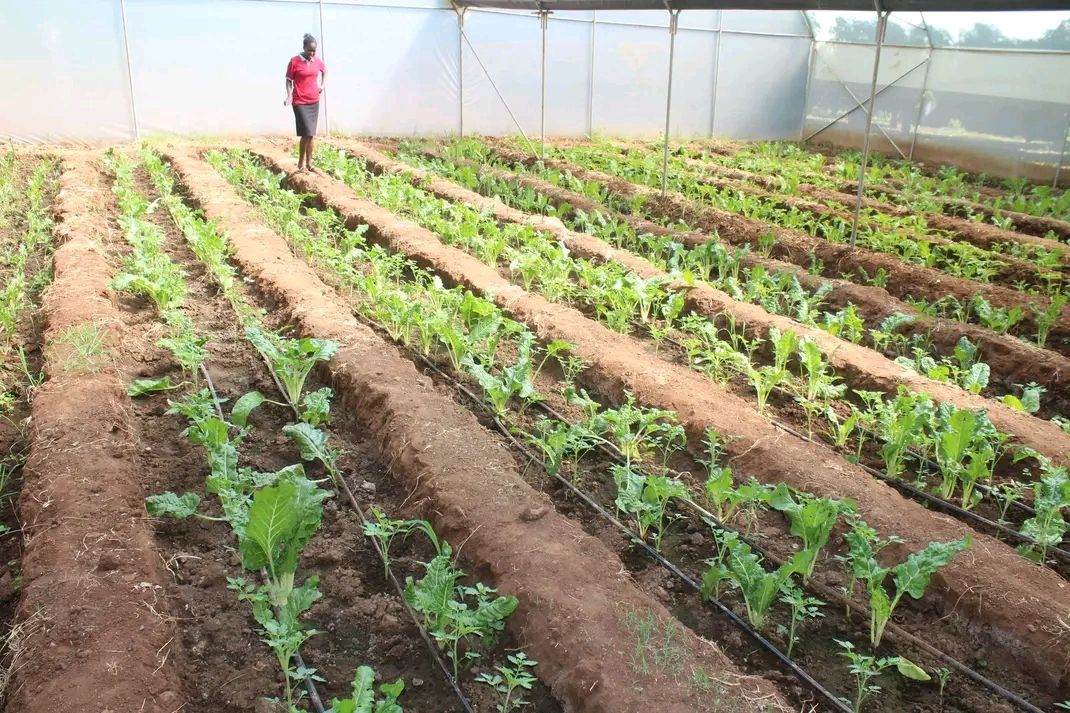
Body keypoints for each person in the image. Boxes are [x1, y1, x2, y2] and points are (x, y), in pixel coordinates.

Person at [284, 34, 327, 172]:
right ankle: (301, 164)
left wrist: (322, 85)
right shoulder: (294, 61)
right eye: (309, 50)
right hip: (300, 101)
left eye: (314, 51)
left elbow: (325, 71)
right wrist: (289, 95)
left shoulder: (317, 61)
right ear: (304, 48)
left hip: (314, 100)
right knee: (306, 132)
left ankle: (310, 163)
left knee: (310, 134)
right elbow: (288, 80)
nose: (312, 53)